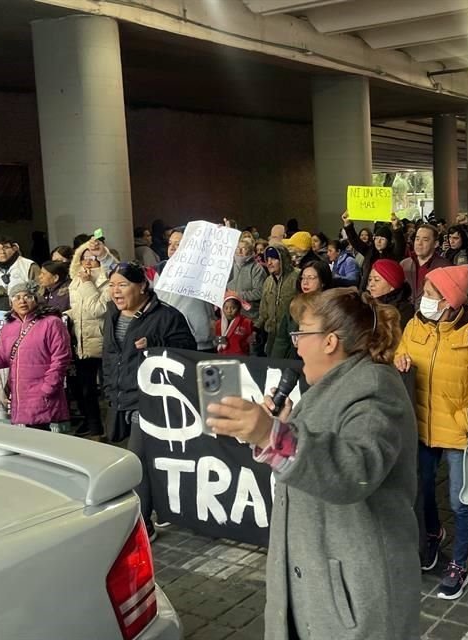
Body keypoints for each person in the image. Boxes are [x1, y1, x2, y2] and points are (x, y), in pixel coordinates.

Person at [206, 289, 419, 639]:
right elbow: (321, 453)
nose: (297, 346)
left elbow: (356, 470)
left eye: (301, 334)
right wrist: (283, 430)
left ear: (330, 341)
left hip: (353, 600)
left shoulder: (374, 387)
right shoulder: (334, 385)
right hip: (321, 591)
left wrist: (272, 437)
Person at [395, 265, 468, 600]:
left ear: (448, 301)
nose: (422, 299)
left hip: (456, 434)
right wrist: (399, 360)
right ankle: (432, 534)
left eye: (429, 294)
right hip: (421, 426)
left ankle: (458, 563)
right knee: (422, 488)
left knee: (459, 501)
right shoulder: (413, 326)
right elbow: (401, 352)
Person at [102, 263, 195, 537]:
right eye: (112, 285)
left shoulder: (166, 316)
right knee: (139, 460)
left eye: (122, 285)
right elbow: (110, 356)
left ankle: (142, 524)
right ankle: (165, 506)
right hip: (121, 397)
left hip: (151, 399)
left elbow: (187, 351)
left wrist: (154, 341)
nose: (115, 291)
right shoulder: (112, 314)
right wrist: (110, 390)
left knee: (137, 460)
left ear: (142, 286)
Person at [0, 282, 71, 429]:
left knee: (45, 444)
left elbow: (61, 358)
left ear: (35, 299)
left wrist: (48, 387)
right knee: (27, 445)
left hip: (45, 397)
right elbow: (1, 359)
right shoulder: (8, 328)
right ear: (11, 302)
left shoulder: (51, 323)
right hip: (21, 398)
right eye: (16, 297)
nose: (22, 301)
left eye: (27, 296)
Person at [66, 242, 111, 437]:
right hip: (82, 341)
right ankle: (94, 427)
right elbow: (79, 309)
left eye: (93, 257)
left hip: (103, 340)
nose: (88, 261)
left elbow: (98, 309)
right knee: (86, 390)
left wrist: (87, 284)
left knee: (108, 389)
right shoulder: (75, 280)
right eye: (85, 257)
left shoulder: (107, 280)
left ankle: (113, 428)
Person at [269, 260, 333, 360]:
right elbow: (281, 340)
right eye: (303, 278)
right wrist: (274, 365)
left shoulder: (332, 307)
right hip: (292, 361)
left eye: (311, 278)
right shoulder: (294, 303)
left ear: (323, 282)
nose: (305, 282)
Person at [343, 212, 405, 291]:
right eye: (376, 238)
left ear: (389, 242)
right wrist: (348, 224)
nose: (378, 241)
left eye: (382, 239)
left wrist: (396, 228)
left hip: (385, 292)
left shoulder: (393, 254)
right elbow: (355, 241)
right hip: (366, 292)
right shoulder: (370, 251)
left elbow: (400, 244)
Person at [257, 246, 298, 356]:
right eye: (267, 259)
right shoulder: (268, 281)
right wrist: (256, 327)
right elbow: (263, 309)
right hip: (271, 333)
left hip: (291, 335)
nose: (269, 263)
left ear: (283, 259)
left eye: (274, 259)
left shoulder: (297, 278)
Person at [401, 223, 450, 307]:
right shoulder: (404, 264)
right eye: (417, 239)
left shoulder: (444, 267)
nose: (419, 243)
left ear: (435, 244)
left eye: (425, 240)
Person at [366, 258, 414, 328]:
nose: (371, 284)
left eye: (376, 280)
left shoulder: (404, 311)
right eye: (370, 279)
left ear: (392, 286)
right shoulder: (366, 303)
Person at [228, 238, 267, 320]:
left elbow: (260, 292)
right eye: (238, 248)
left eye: (244, 249)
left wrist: (238, 295)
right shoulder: (228, 265)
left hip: (249, 316)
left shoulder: (257, 269)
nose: (240, 251)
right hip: (229, 314)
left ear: (250, 251)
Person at [444, 225, 468, 303]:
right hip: (455, 297)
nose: (451, 241)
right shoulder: (449, 253)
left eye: (456, 238)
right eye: (450, 237)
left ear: (463, 239)